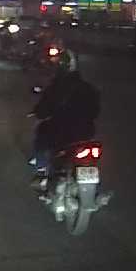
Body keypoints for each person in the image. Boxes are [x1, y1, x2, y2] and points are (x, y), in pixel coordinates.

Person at [28, 51, 100, 196]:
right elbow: (95, 112)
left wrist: (38, 112)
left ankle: (41, 174)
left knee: (41, 136)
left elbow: (43, 110)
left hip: (60, 132)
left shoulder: (56, 87)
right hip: (85, 134)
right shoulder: (88, 88)